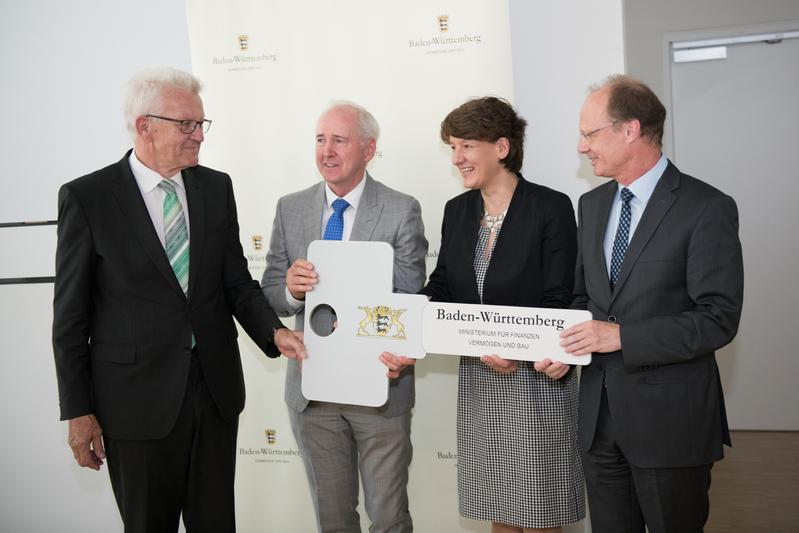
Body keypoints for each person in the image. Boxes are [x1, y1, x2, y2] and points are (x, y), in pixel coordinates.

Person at [52, 67, 305, 533]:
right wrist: (78, 410)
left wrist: (274, 330)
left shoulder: (215, 187)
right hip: (133, 402)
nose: (198, 137)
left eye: (201, 124)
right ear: (144, 126)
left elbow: (235, 282)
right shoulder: (89, 198)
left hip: (213, 391)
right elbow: (69, 318)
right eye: (185, 125)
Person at [553, 74, 744, 533]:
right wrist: (563, 346)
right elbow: (586, 299)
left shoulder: (706, 207)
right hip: (599, 422)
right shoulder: (592, 204)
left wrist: (621, 337)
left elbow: (717, 319)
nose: (582, 147)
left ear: (630, 130)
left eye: (589, 134)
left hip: (670, 425)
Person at [389, 96, 584, 533]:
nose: (456, 158)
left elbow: (561, 296)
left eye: (466, 146)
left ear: (501, 147)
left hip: (538, 377)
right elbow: (441, 287)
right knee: (498, 505)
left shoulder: (550, 207)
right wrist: (405, 329)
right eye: (453, 147)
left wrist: (522, 350)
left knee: (540, 510)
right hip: (481, 376)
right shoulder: (458, 211)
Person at [260, 101, 428, 533]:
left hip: (379, 388)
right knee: (333, 521)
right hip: (313, 392)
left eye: (339, 139)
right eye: (320, 139)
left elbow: (410, 291)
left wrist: (355, 294)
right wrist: (291, 290)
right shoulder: (290, 208)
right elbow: (270, 294)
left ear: (369, 149)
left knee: (389, 519)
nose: (326, 151)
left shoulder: (400, 208)